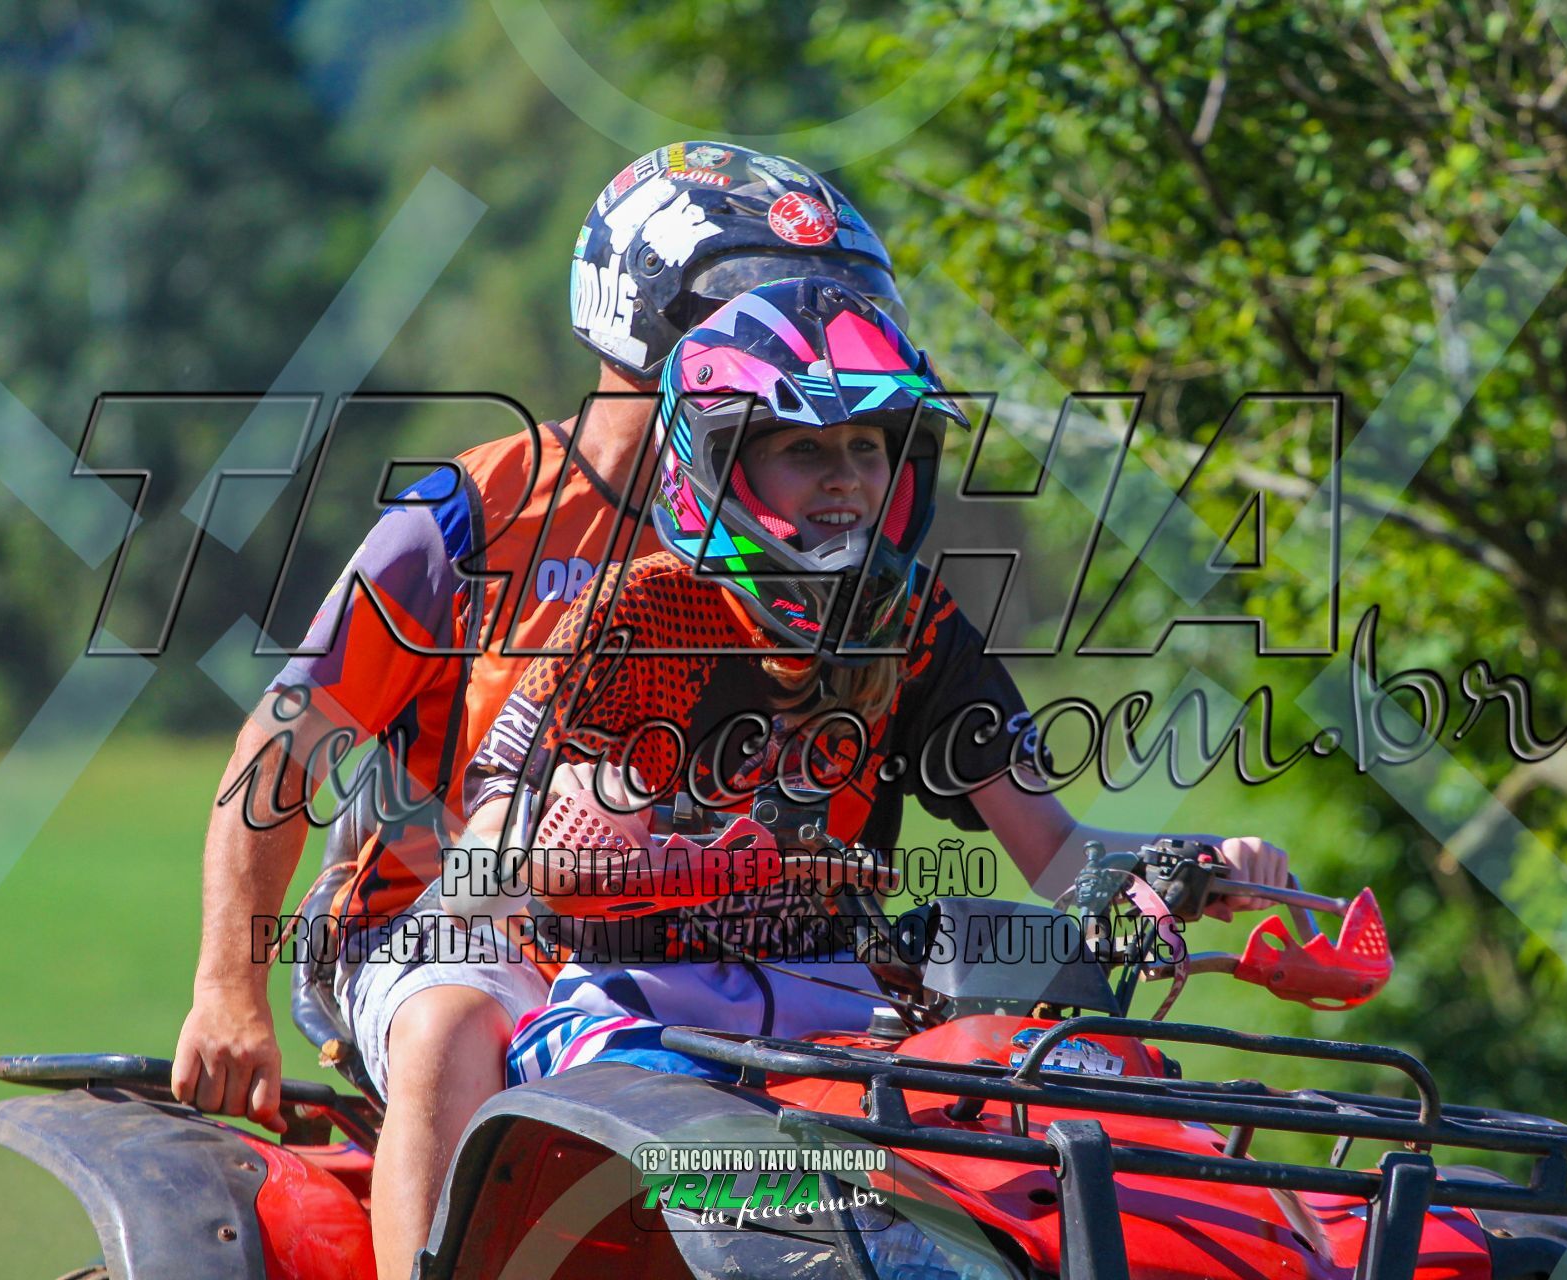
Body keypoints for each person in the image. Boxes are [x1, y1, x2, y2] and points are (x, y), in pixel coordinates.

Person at [170, 143, 915, 1280]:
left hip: (711, 934)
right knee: (451, 1024)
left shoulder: (805, 527)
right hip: (450, 918)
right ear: (647, 319)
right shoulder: (477, 512)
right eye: (768, 312)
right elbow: (283, 742)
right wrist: (229, 988)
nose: (813, 350)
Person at [457, 278, 1290, 1083]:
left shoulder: (915, 624)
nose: (847, 478)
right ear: (720, 465)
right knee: (702, 1133)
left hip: (845, 1009)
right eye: (803, 446)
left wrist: (1187, 865)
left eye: (868, 446)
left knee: (1042, 1099)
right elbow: (474, 876)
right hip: (632, 1009)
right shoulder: (641, 613)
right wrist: (577, 845)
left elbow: (1056, 855)